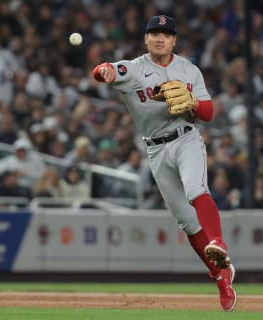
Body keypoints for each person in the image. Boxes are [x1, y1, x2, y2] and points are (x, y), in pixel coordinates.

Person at [92, 15, 236, 311]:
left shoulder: (188, 69)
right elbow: (104, 70)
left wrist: (193, 104)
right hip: (155, 150)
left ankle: (219, 245)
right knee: (186, 221)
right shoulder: (134, 69)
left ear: (174, 40)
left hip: (185, 138)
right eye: (154, 33)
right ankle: (221, 276)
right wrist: (103, 71)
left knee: (196, 189)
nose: (160, 38)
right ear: (145, 39)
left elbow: (208, 113)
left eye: (166, 34)